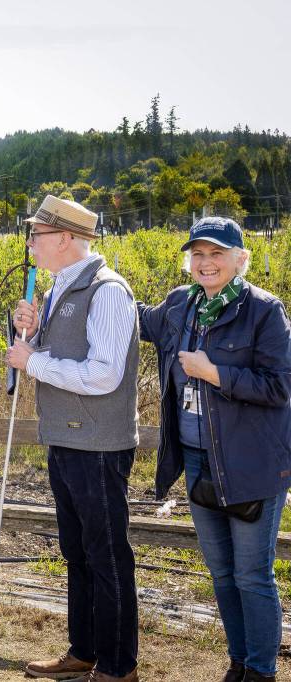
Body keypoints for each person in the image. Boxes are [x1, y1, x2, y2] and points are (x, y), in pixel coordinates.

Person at [138, 218, 291, 682]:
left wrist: (215, 373)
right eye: (198, 254)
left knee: (252, 576)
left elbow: (280, 386)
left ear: (240, 259)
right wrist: (51, 302)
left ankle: (262, 672)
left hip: (249, 465)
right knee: (222, 574)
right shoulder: (181, 304)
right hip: (197, 460)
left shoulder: (264, 310)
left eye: (217, 254)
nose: (206, 263)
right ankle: (239, 661)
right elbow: (133, 315)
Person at [7, 195, 140, 682]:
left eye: (36, 235)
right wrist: (33, 333)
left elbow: (104, 374)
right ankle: (83, 651)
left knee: (106, 558)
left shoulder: (106, 290)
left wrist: (33, 361)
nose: (30, 244)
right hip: (66, 439)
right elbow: (59, 355)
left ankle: (119, 666)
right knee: (77, 553)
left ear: (65, 238)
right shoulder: (62, 287)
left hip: (98, 445)